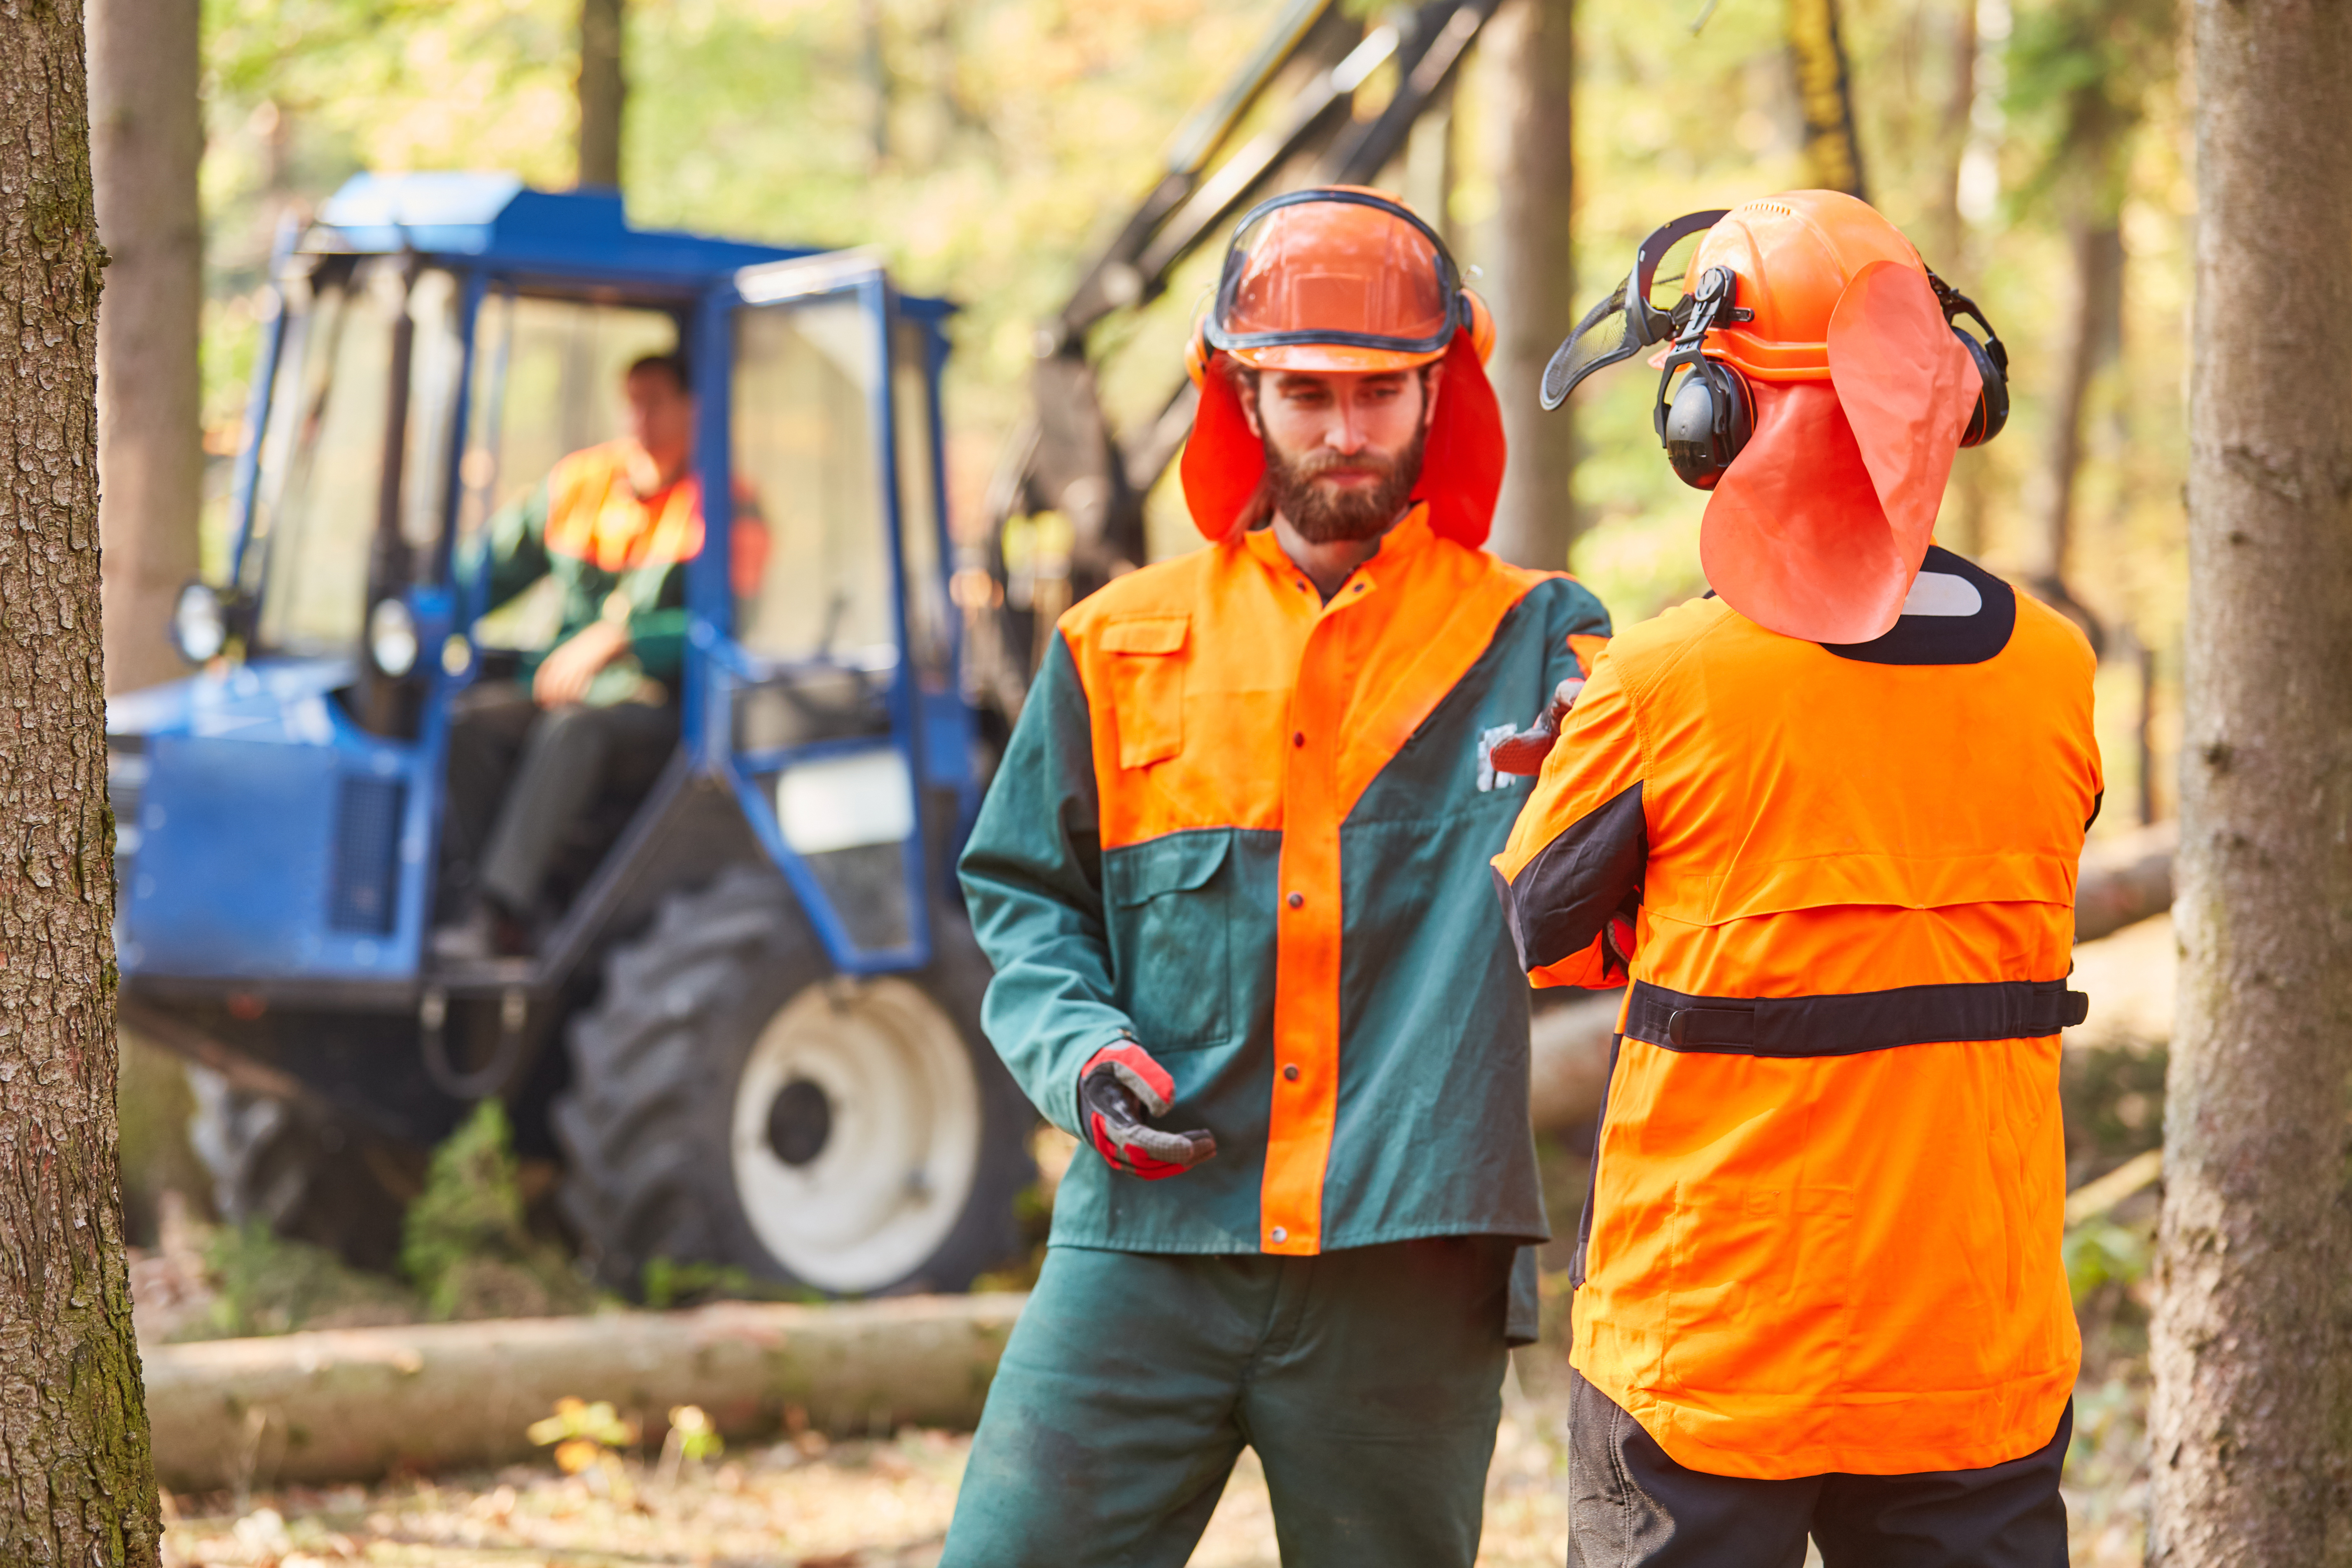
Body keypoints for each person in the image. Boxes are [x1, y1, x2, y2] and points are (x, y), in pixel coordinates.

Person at [941, 187, 1612, 1568]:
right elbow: (1023, 899)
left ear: (1442, 393)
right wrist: (1080, 1051)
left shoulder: (1544, 638)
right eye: (1307, 390)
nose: (1346, 429)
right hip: (1148, 1233)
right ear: (1242, 394)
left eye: (1381, 390)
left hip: (1409, 1257)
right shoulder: (1113, 643)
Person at [1493, 190, 2097, 1566]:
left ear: (1708, 415)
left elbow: (1537, 927)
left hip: (1710, 1350)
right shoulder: (2055, 667)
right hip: (1970, 1342)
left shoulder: (1659, 679)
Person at [437, 350, 734, 956]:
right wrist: (424, 613)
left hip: (665, 709)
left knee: (573, 731)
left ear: (692, 408)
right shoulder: (580, 485)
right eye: (632, 402)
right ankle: (496, 888)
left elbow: (735, 628)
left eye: (654, 402)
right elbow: (482, 577)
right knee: (461, 726)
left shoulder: (722, 502)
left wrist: (625, 636)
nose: (638, 418)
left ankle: (501, 915)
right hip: (560, 690)